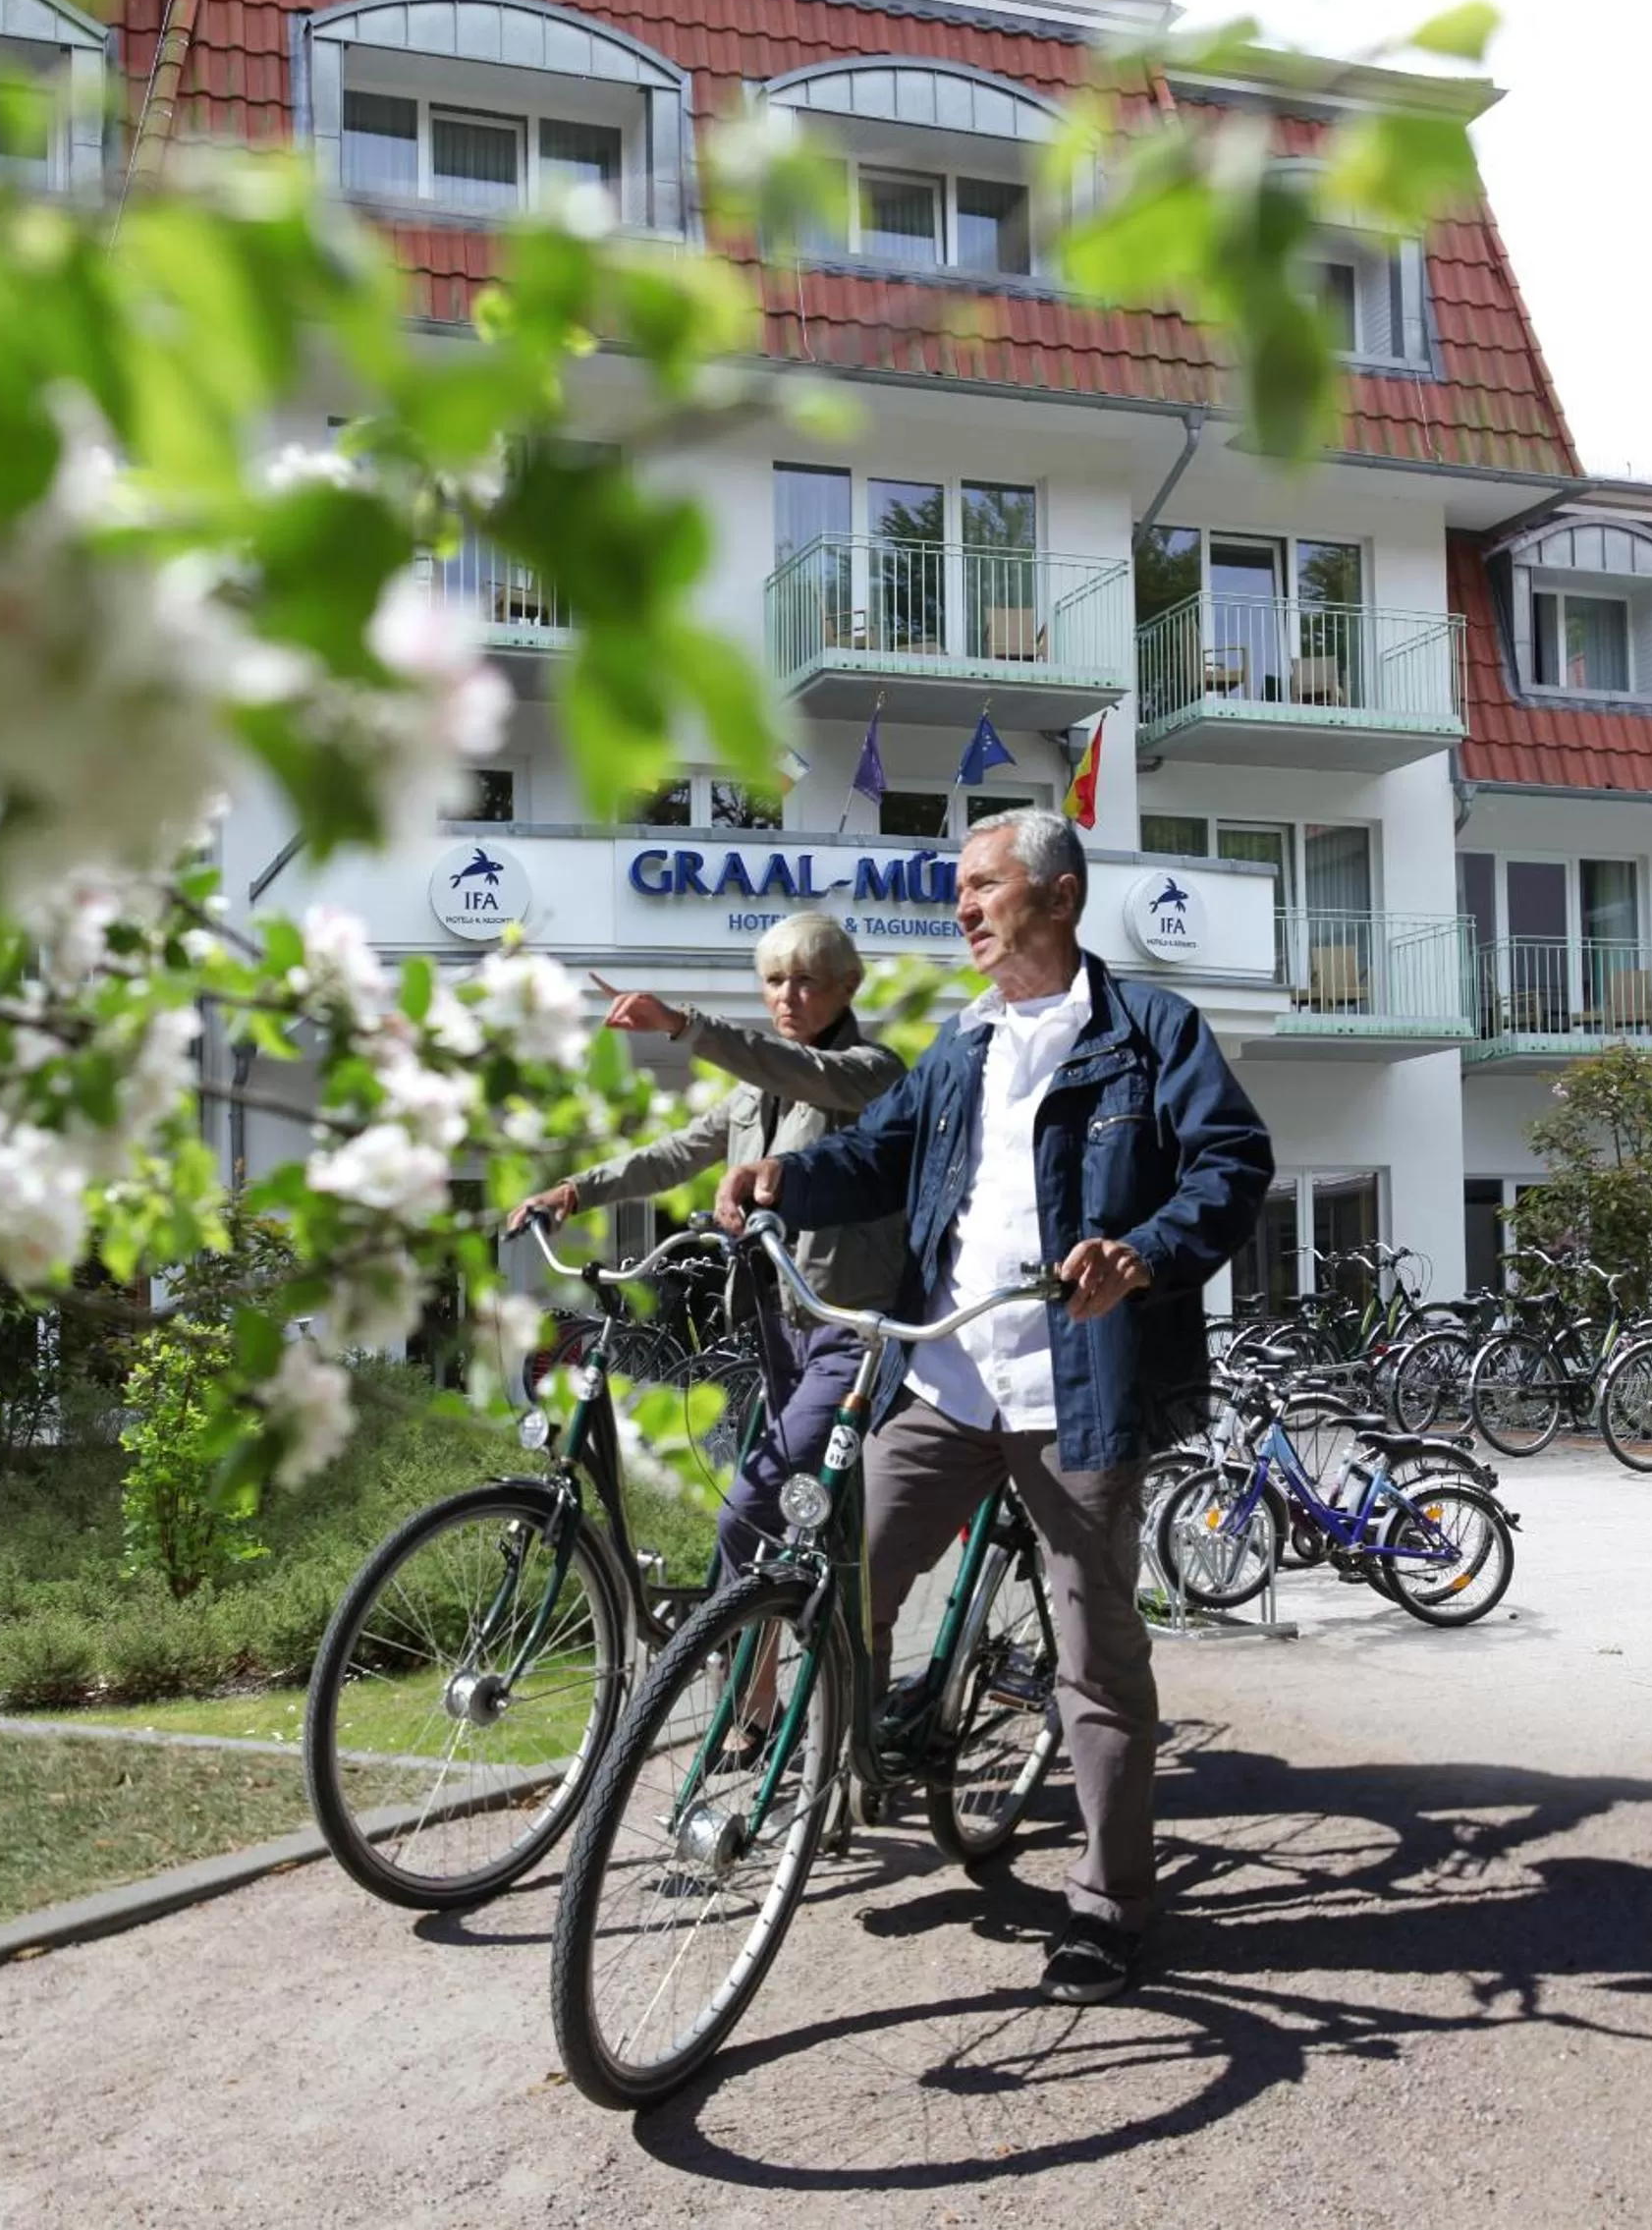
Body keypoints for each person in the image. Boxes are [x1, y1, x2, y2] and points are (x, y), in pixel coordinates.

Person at [715, 809, 1273, 2003]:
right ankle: (854, 1762)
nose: (962, 905)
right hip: (945, 1378)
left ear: (1059, 898)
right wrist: (783, 1174)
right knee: (838, 1580)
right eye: (958, 888)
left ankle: (1110, 1903)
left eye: (984, 884)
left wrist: (1143, 1251)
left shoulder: (1150, 1030)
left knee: (1095, 1652)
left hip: (1077, 1391)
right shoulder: (961, 1043)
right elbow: (879, 1157)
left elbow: (1231, 1163)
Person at [510, 912, 906, 1576]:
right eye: (774, 981)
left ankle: (732, 1638)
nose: (786, 997)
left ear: (848, 987)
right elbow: (676, 1152)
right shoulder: (755, 1091)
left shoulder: (869, 1072)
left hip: (847, 1332)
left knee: (751, 1510)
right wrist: (574, 1191)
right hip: (775, 1329)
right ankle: (797, 1639)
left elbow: (799, 1069)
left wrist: (682, 1024)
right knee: (810, 1519)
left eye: (806, 982)